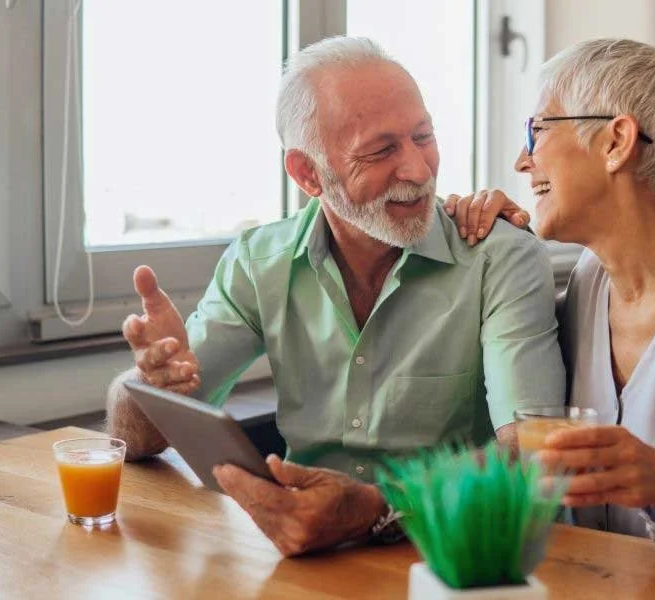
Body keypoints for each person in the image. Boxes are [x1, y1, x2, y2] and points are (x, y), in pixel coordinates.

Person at [106, 36, 565, 556]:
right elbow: (138, 439)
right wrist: (150, 383)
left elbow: (532, 452)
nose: (419, 170)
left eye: (423, 136)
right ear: (308, 174)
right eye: (381, 150)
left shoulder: (499, 257)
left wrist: (377, 511)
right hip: (302, 554)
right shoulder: (259, 263)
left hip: (450, 552)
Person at [447, 38, 655, 558]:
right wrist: (493, 240)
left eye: (537, 131)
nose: (521, 160)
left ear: (616, 141)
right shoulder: (588, 282)